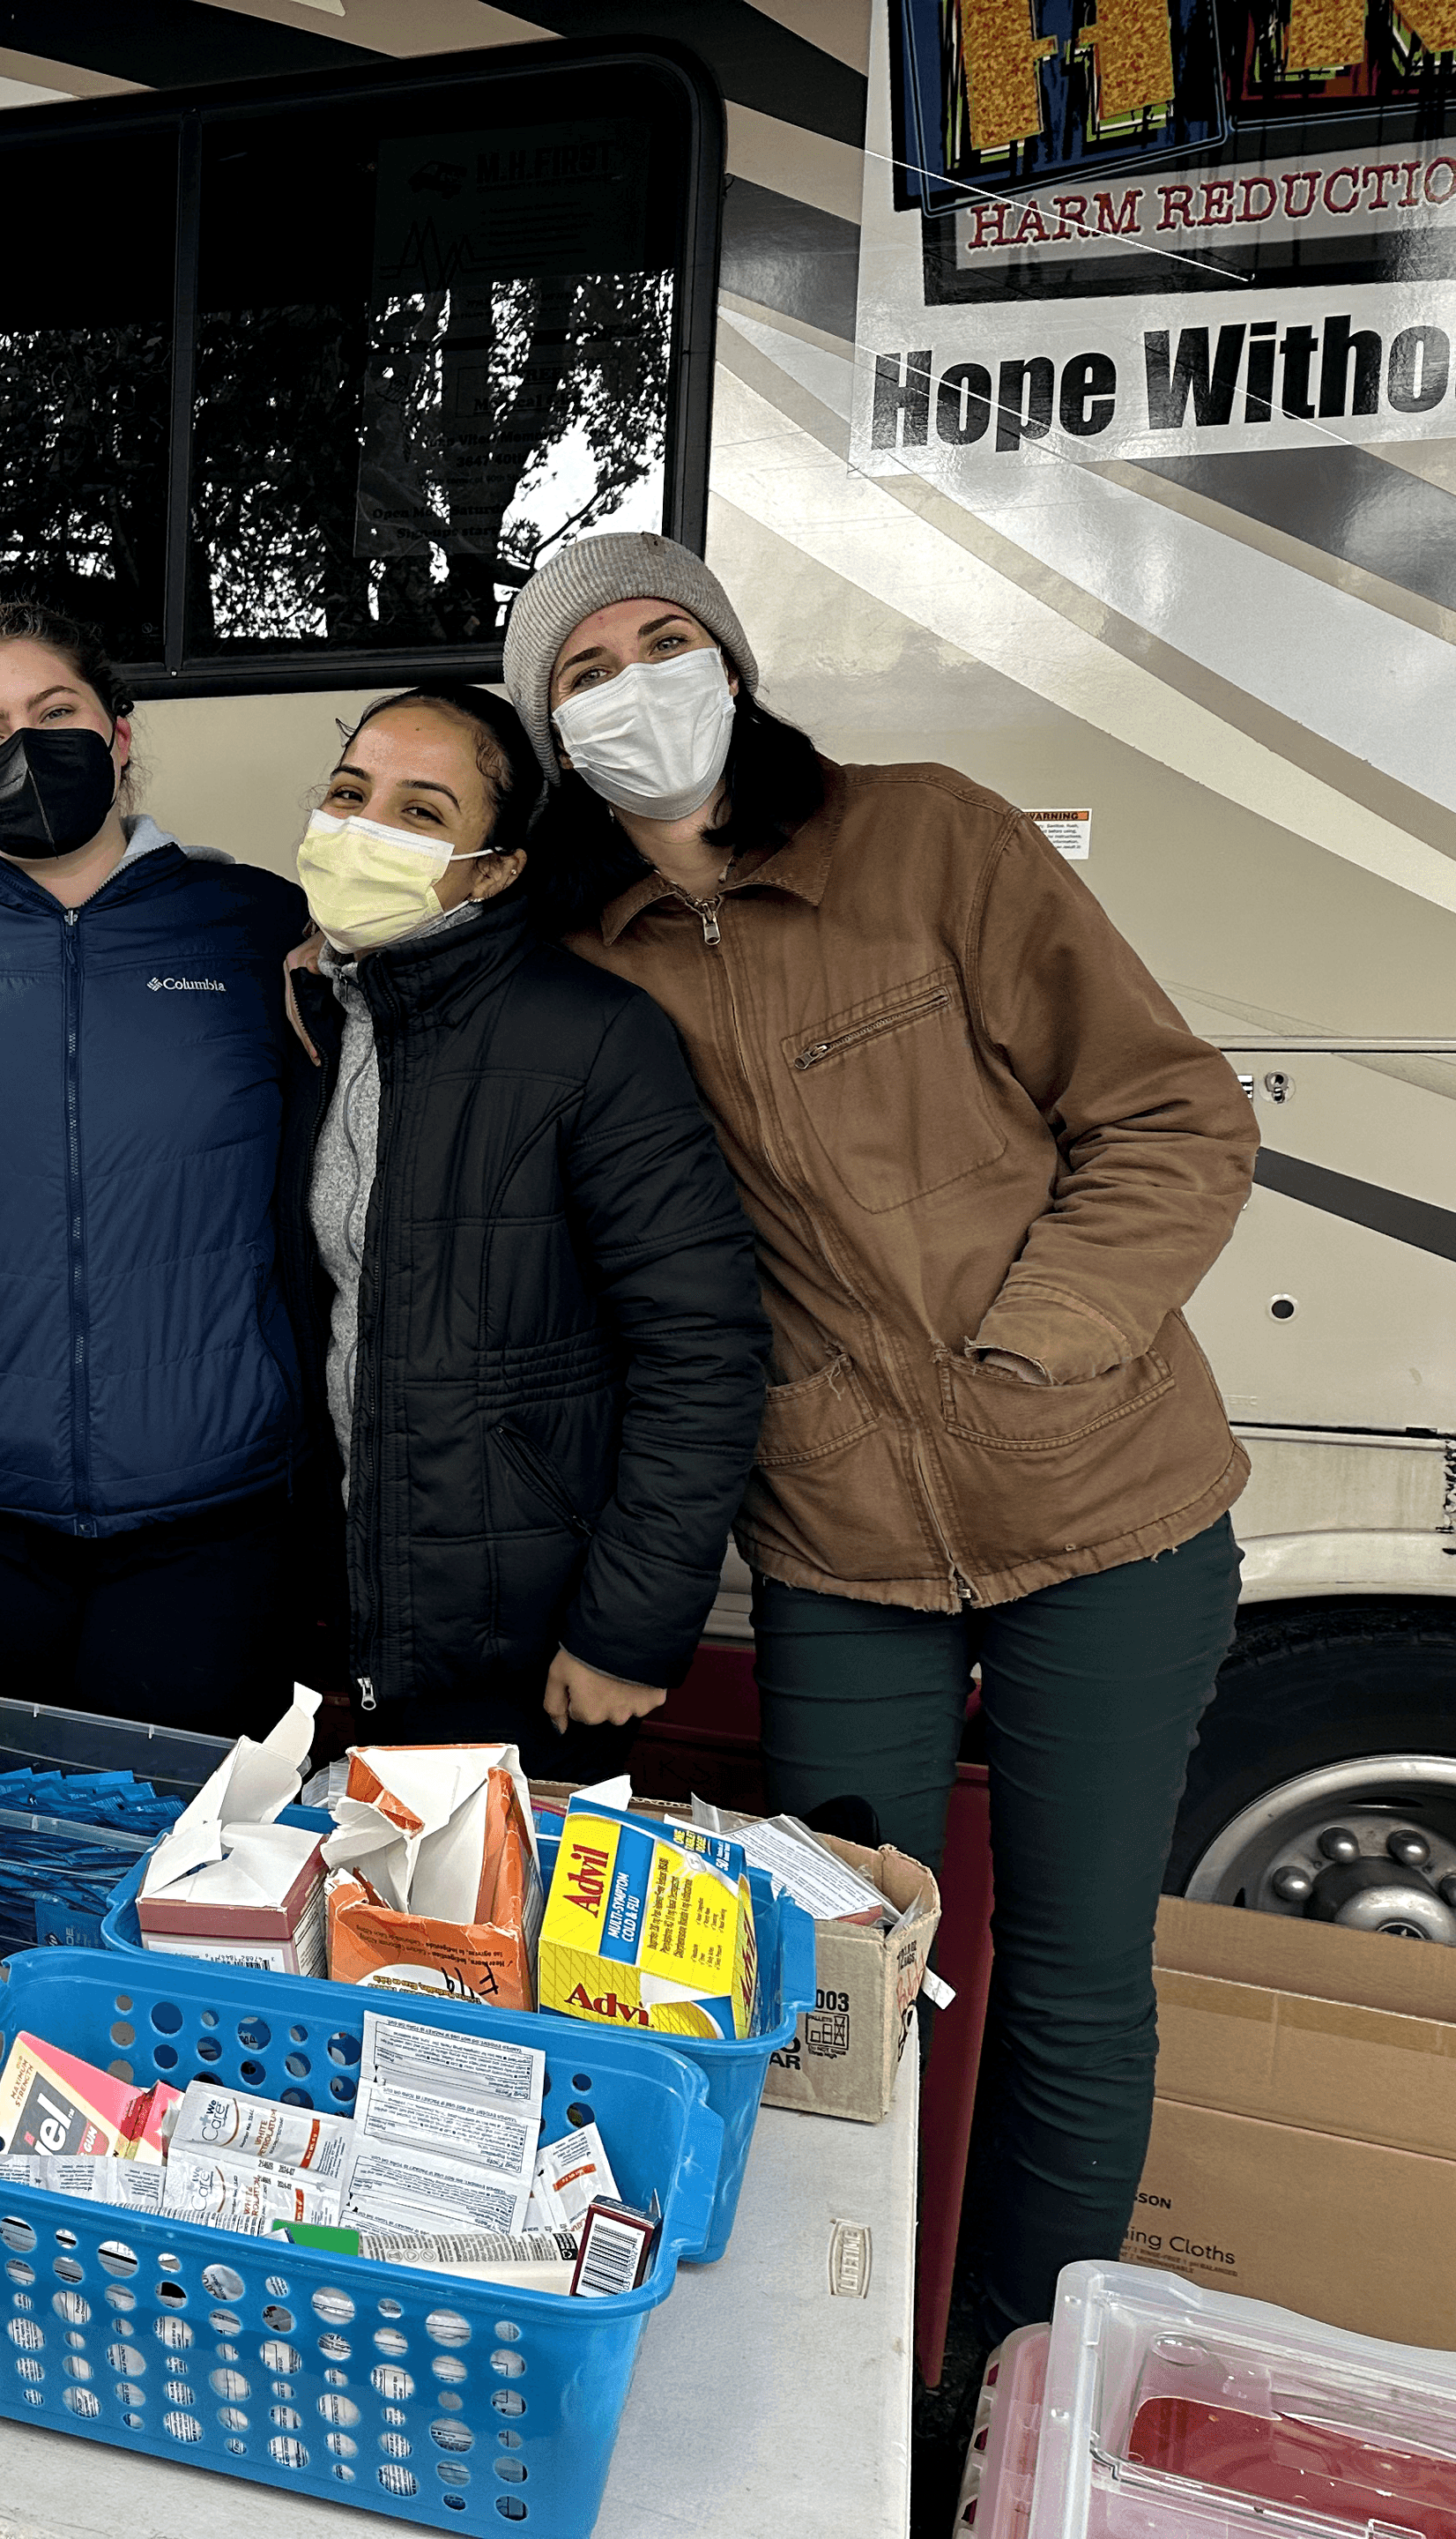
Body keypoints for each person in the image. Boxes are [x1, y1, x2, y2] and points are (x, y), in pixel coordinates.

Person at [503, 531, 1259, 2347]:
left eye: (664, 641)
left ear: (736, 660)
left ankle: (1015, 2360)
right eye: (583, 670)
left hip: (1112, 1505)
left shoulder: (923, 833)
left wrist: (1034, 1355)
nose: (633, 687)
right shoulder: (578, 955)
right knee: (834, 1970)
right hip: (839, 1544)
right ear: (550, 726)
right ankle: (853, 2351)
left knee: (1077, 1982)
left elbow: (1172, 1114)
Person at [282, 681, 769, 1780]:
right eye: (349, 793)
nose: (363, 830)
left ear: (496, 867)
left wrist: (628, 1628)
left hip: (527, 1636)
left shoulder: (592, 1038)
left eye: (420, 813)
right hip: (339, 1618)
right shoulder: (315, 1019)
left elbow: (702, 1348)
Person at [0, 602, 314, 1732]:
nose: (25, 744)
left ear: (117, 733)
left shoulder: (257, 928)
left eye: (54, 712)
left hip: (208, 1517)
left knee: (185, 1880)